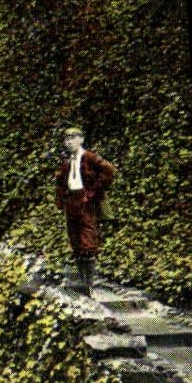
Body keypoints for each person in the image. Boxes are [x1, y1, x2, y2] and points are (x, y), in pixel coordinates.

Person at [55, 125, 116, 297]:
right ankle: (82, 283)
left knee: (87, 240)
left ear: (81, 139)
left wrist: (92, 192)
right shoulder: (67, 162)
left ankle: (89, 284)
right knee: (75, 240)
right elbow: (61, 182)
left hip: (86, 203)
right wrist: (62, 199)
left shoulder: (90, 157)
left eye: (73, 138)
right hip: (71, 202)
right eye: (67, 139)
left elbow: (108, 171)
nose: (69, 142)